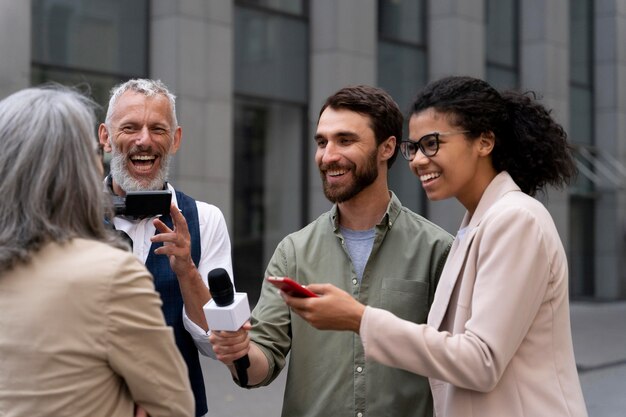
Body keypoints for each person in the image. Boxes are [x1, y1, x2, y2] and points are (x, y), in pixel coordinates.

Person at [282, 76, 588, 417]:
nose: (417, 160)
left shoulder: (515, 219)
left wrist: (360, 318)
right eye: (414, 148)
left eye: (432, 144)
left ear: (484, 141)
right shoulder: (476, 224)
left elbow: (480, 361)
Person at [210, 85, 453, 417]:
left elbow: (457, 362)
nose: (328, 156)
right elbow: (259, 367)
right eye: (322, 142)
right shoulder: (293, 251)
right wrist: (239, 351)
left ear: (387, 147)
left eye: (345, 140)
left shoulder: (438, 250)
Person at [0, 86, 194, 416]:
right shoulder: (112, 274)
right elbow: (175, 406)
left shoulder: (203, 217)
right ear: (77, 169)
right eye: (94, 151)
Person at [98, 78, 233, 416]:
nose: (144, 140)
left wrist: (187, 271)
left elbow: (217, 345)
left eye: (158, 129)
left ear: (175, 140)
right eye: (130, 127)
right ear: (106, 138)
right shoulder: (68, 215)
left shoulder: (206, 219)